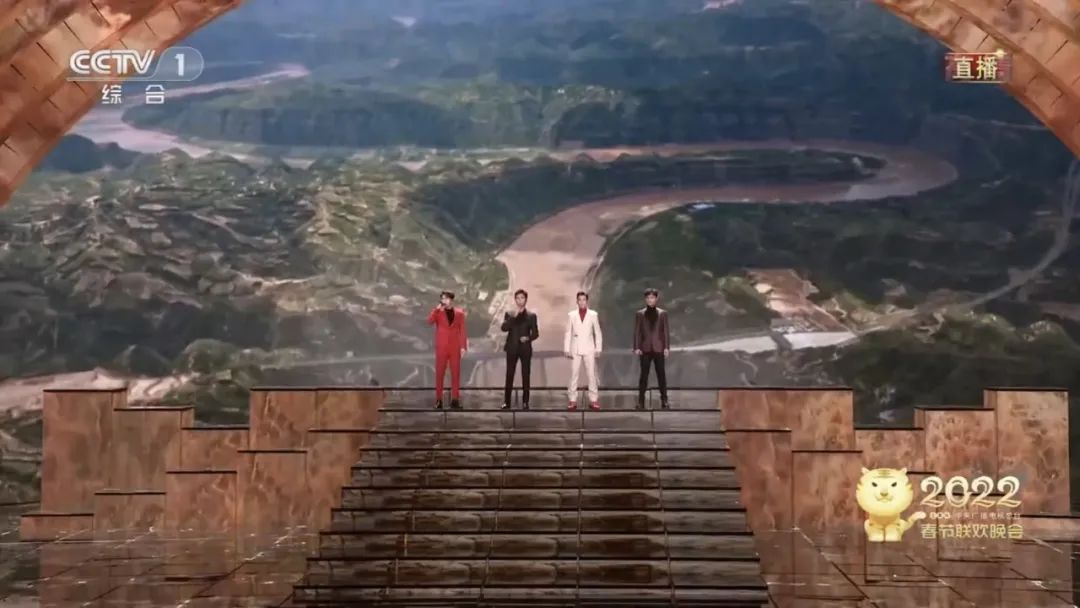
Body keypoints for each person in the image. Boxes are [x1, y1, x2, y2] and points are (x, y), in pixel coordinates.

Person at [427, 290, 467, 409]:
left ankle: (455, 400)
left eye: (446, 298)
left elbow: (462, 330)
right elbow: (429, 321)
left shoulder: (459, 313)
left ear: (451, 300)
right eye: (442, 298)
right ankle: (439, 400)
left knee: (455, 373)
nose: (444, 301)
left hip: (455, 347)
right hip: (442, 347)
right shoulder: (438, 312)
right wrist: (436, 310)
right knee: (440, 373)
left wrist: (463, 346)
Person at [564, 291, 603, 410]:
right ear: (577, 301)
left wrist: (598, 348)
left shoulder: (593, 314)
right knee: (574, 374)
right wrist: (566, 348)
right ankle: (572, 399)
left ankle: (594, 399)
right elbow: (568, 332)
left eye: (584, 300)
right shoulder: (572, 315)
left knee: (591, 375)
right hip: (575, 348)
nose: (582, 302)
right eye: (579, 300)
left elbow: (597, 332)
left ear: (587, 301)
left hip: (589, 348)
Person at [501, 289, 538, 410]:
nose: (520, 300)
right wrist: (513, 317)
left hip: (525, 349)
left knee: (525, 375)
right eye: (518, 298)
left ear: (525, 300)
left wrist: (528, 338)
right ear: (515, 300)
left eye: (522, 298)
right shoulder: (509, 314)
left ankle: (525, 401)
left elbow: (535, 333)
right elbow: (504, 328)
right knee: (509, 374)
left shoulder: (531, 316)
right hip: (512, 348)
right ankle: (506, 402)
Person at [634, 288, 670, 410]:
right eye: (648, 298)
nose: (650, 300)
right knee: (643, 376)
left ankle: (664, 400)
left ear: (656, 299)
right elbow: (637, 331)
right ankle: (641, 401)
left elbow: (665, 331)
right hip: (645, 348)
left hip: (659, 348)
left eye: (652, 298)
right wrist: (636, 347)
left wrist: (666, 347)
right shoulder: (640, 314)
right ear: (645, 299)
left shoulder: (662, 313)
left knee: (661, 375)